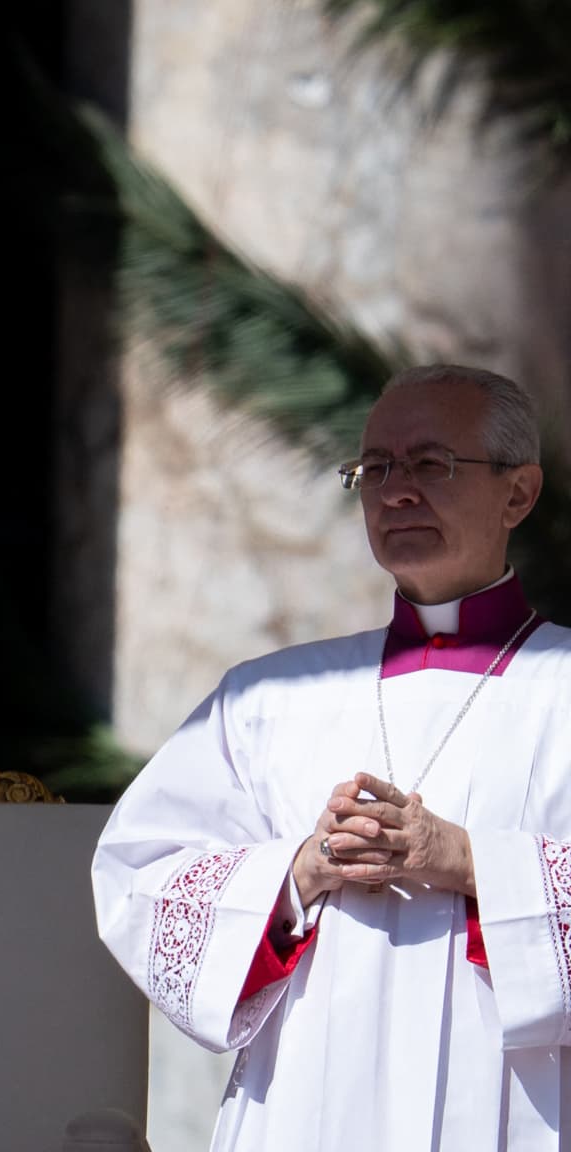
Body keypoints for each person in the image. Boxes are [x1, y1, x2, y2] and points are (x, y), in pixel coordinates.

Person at [93, 365, 571, 1147]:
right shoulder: (265, 698)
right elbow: (139, 880)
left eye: (429, 464)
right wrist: (299, 873)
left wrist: (472, 862)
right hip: (306, 1102)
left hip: (516, 1111)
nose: (395, 492)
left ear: (518, 493)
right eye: (375, 468)